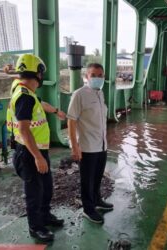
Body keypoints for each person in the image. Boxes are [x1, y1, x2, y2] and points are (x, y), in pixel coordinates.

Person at [6, 54, 66, 242]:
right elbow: (24, 130)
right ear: (38, 73)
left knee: (46, 187)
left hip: (38, 151)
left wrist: (56, 112)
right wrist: (38, 157)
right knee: (34, 192)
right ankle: (36, 227)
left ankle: (45, 216)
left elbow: (41, 105)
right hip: (29, 153)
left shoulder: (26, 91)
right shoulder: (24, 97)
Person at [67, 63, 113, 224]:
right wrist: (74, 146)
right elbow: (71, 120)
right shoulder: (79, 94)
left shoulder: (100, 93)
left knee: (98, 177)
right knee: (87, 180)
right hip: (86, 147)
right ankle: (88, 209)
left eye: (100, 75)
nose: (97, 78)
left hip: (102, 145)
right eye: (93, 75)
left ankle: (97, 200)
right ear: (86, 77)